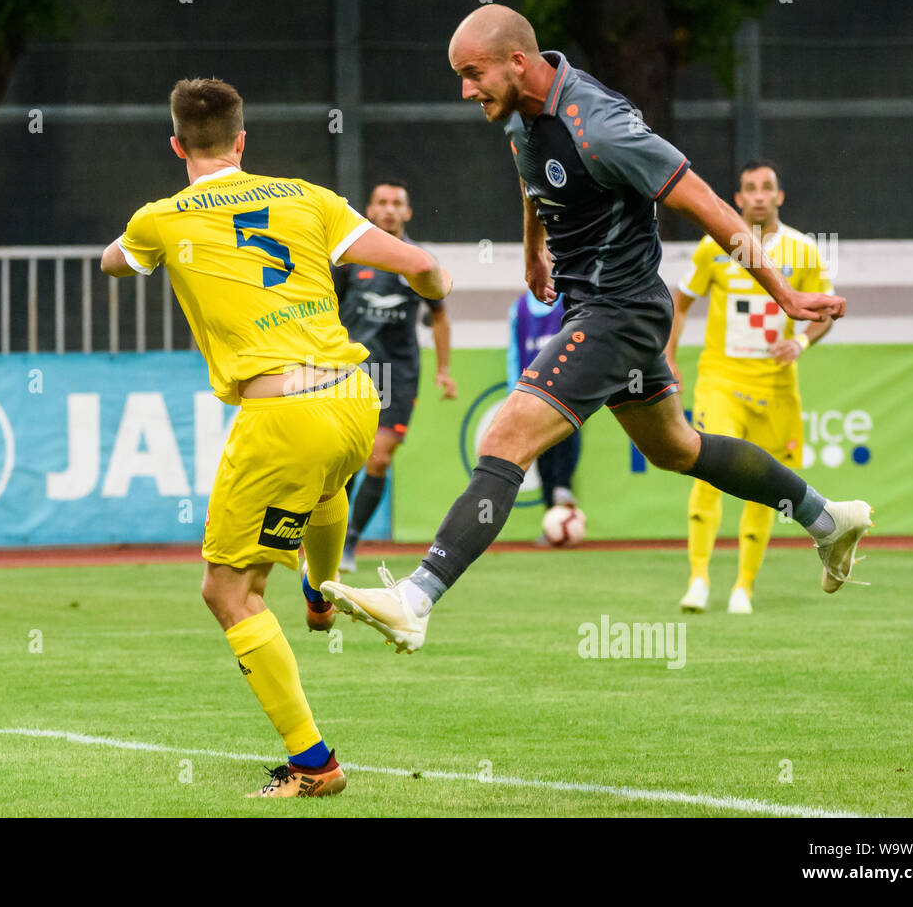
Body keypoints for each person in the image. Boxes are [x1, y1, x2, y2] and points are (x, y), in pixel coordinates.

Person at [319, 5, 871, 654]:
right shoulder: (521, 111)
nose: (465, 90)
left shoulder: (602, 128)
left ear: (516, 63)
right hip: (596, 306)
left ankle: (415, 598)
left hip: (620, 310)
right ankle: (827, 518)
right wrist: (534, 248)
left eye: (472, 74)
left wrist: (783, 293)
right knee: (677, 448)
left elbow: (711, 206)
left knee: (505, 433)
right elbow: (531, 175)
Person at [100, 78, 451, 795]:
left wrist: (139, 246)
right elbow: (422, 267)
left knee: (228, 590)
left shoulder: (159, 220)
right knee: (325, 486)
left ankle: (312, 764)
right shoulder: (307, 197)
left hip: (281, 411)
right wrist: (438, 299)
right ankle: (321, 593)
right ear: (241, 142)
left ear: (176, 146)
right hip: (355, 399)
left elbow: (114, 261)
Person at [667, 161, 834, 614]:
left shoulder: (802, 251)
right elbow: (679, 304)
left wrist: (800, 342)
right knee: (707, 471)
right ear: (737, 199)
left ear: (780, 196)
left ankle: (743, 586)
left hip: (777, 387)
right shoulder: (715, 246)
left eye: (767, 188)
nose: (759, 196)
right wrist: (667, 356)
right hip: (721, 379)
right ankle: (698, 578)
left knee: (767, 485)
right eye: (749, 189)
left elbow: (824, 315)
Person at [332, 180, 457, 572]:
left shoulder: (418, 261)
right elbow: (328, 308)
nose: (388, 209)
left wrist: (443, 370)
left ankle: (350, 543)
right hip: (351, 370)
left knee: (378, 458)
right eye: (381, 202)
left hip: (397, 373)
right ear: (369, 210)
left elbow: (439, 318)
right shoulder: (349, 260)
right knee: (344, 460)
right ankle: (332, 540)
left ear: (407, 213)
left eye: (396, 203)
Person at [508, 289, 581, 527]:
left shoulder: (571, 303)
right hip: (533, 393)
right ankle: (552, 510)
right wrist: (514, 392)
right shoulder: (518, 309)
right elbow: (514, 353)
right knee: (542, 453)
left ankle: (563, 487)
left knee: (567, 438)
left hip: (567, 389)